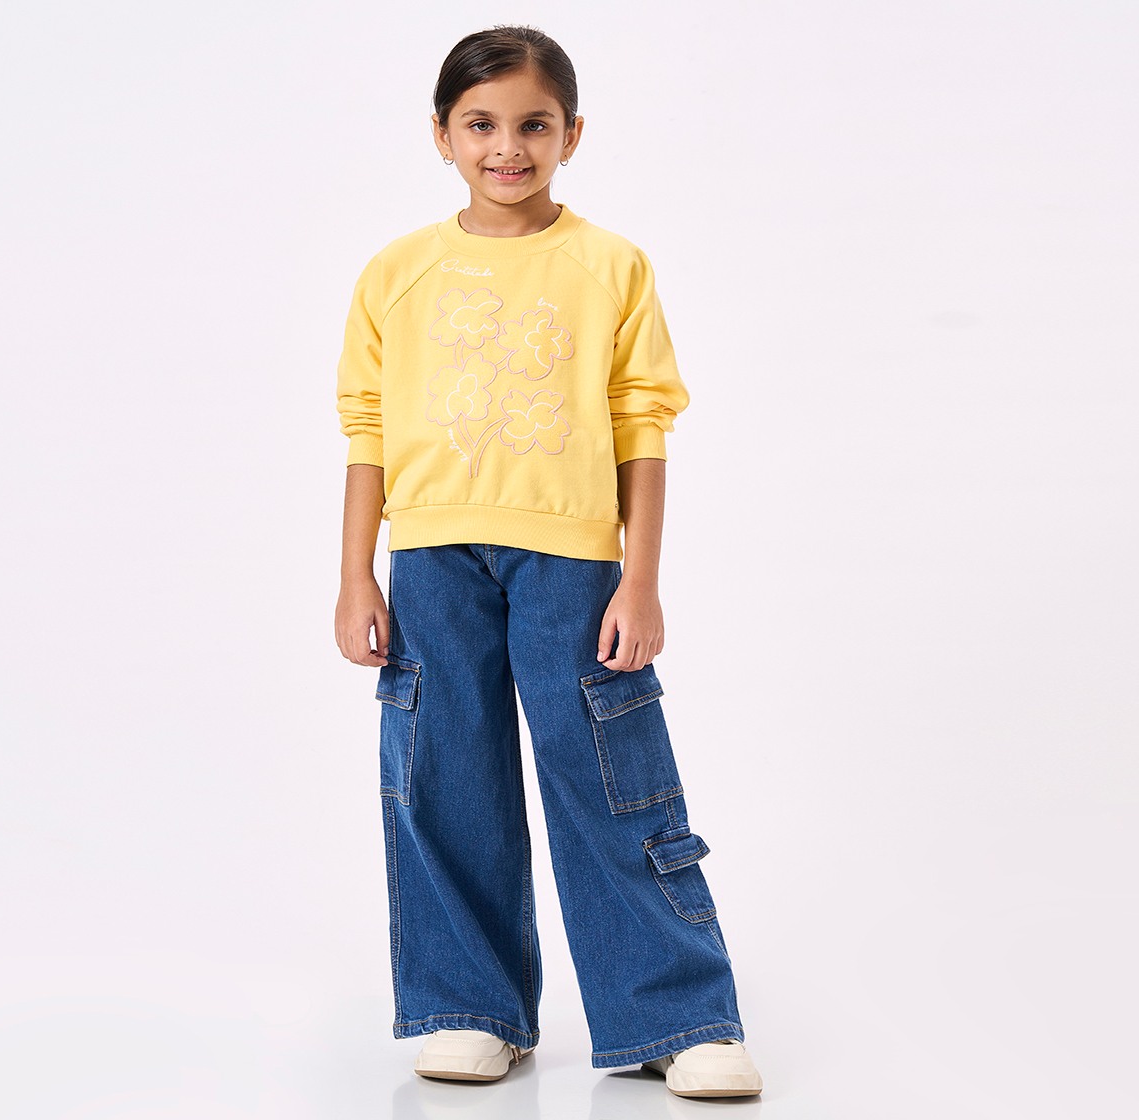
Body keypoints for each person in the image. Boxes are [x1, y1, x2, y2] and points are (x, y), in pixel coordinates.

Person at [333, 24, 763, 1100]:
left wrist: (640, 578)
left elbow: (642, 428)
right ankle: (471, 1006)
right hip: (431, 557)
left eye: (533, 125)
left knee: (607, 776)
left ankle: (676, 1015)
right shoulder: (397, 272)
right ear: (442, 135)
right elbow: (368, 429)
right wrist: (355, 574)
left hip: (570, 559)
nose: (507, 147)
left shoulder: (610, 266)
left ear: (572, 134)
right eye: (480, 124)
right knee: (446, 777)